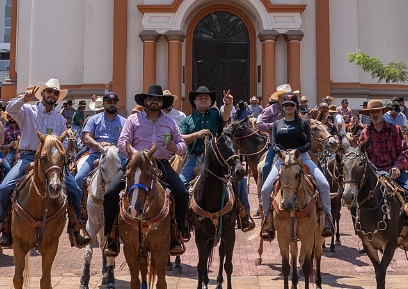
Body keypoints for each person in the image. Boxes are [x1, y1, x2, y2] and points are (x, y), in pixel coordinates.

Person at [106, 85, 191, 253]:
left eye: (158, 99)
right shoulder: (133, 119)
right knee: (110, 193)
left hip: (160, 163)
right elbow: (122, 142)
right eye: (151, 98)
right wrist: (138, 155)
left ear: (162, 102)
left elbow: (182, 144)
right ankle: (111, 236)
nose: (154, 102)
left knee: (181, 192)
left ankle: (178, 233)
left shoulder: (169, 122)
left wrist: (176, 148)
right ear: (145, 101)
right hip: (136, 163)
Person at [0, 80, 70, 244]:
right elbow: (10, 109)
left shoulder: (60, 120)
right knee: (4, 188)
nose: (52, 95)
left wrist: (57, 156)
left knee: (74, 188)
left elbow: (64, 144)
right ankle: (4, 227)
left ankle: (76, 226)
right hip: (28, 156)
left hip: (52, 161)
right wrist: (24, 98)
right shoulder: (27, 111)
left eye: (55, 93)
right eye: (49, 91)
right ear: (43, 93)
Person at [258, 92, 337, 237]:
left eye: (291, 105)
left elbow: (308, 144)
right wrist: (283, 152)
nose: (288, 107)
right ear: (282, 106)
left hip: (303, 158)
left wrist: (296, 151)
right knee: (265, 189)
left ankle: (327, 218)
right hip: (283, 160)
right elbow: (274, 144)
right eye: (286, 105)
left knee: (324, 184)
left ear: (296, 107)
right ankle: (268, 221)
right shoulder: (277, 124)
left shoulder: (303, 123)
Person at [180, 85, 251, 229]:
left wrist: (228, 103)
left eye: (206, 98)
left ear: (211, 101)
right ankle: (183, 221)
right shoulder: (187, 120)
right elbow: (181, 138)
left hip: (217, 159)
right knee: (180, 185)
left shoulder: (215, 115)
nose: (203, 99)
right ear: (194, 101)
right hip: (194, 158)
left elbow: (225, 114)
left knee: (240, 180)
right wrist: (196, 135)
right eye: (200, 98)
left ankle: (244, 215)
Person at [358, 100, 408, 199]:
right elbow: (360, 155)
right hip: (373, 173)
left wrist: (397, 166)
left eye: (377, 112)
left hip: (394, 171)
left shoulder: (395, 129)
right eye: (372, 112)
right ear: (369, 114)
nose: (375, 115)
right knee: (356, 198)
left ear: (382, 112)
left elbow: (405, 151)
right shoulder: (365, 133)